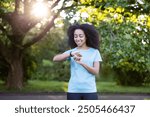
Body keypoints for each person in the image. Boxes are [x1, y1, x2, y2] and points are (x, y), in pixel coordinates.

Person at [53, 23, 102, 100]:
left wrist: (82, 63)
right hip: (73, 90)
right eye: (75, 36)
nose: (78, 38)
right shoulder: (72, 52)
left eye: (81, 36)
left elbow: (96, 71)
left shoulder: (94, 52)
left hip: (90, 90)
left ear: (86, 37)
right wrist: (70, 54)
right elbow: (55, 58)